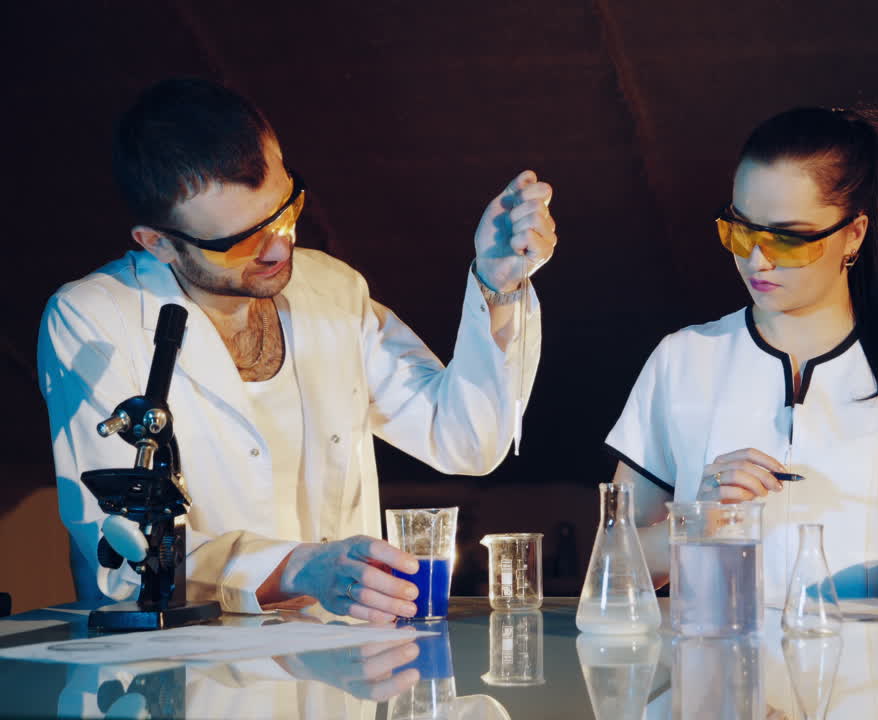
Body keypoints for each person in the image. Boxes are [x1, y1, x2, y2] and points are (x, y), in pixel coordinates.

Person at [37, 77, 558, 623]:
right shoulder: (96, 319)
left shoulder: (332, 290)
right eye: (239, 241)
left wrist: (498, 285)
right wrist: (300, 568)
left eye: (286, 208)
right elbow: (120, 558)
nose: (281, 246)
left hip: (341, 677)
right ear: (158, 242)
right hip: (186, 684)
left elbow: (466, 440)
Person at [605, 107, 878, 604]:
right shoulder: (682, 361)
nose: (757, 259)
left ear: (854, 233)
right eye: (741, 230)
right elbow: (614, 568)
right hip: (719, 672)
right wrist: (697, 519)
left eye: (789, 239)